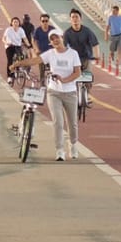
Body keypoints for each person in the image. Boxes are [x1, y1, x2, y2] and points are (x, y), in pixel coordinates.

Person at [40, 28, 84, 161]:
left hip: (70, 92)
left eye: (56, 37)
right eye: (52, 39)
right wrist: (18, 64)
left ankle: (73, 145)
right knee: (58, 122)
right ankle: (60, 150)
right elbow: (35, 60)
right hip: (54, 92)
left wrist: (64, 80)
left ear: (62, 37)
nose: (55, 41)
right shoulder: (50, 54)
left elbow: (77, 73)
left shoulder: (73, 54)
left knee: (72, 122)